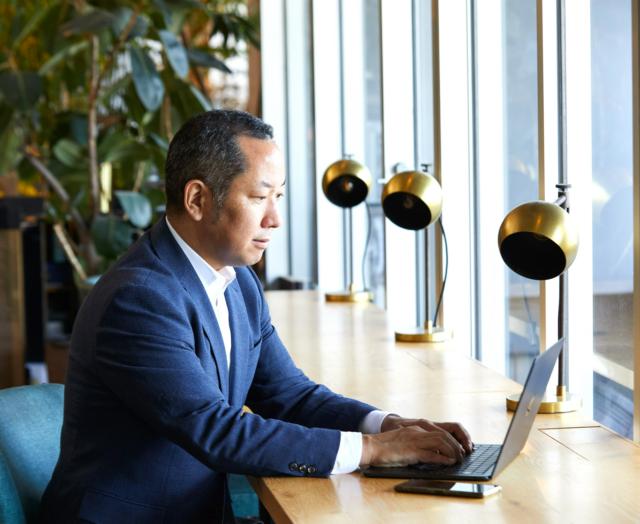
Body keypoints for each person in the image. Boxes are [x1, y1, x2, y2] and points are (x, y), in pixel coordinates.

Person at [40, 110, 473, 523]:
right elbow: (216, 430)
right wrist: (373, 450)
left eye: (278, 197)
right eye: (259, 197)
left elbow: (289, 394)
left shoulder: (238, 281)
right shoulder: (138, 299)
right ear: (197, 199)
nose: (275, 218)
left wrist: (386, 425)